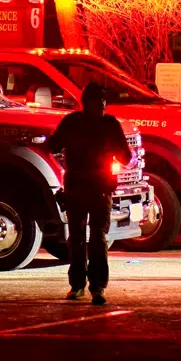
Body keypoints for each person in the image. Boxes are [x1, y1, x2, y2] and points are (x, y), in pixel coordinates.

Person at [46, 82, 133, 304]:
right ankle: (92, 287)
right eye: (98, 101)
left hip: (89, 186)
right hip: (91, 187)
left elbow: (52, 145)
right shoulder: (106, 124)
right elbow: (126, 157)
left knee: (85, 238)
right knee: (90, 238)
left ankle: (84, 286)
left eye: (103, 101)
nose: (101, 105)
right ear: (89, 103)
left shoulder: (75, 122)